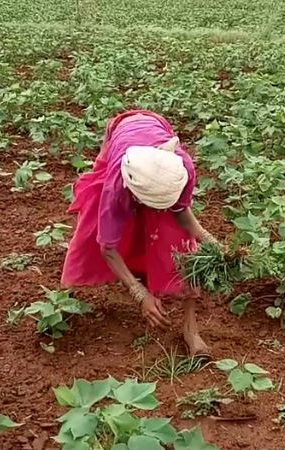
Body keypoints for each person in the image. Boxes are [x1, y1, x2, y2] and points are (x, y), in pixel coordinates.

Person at [61, 110, 218, 357]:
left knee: (181, 243)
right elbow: (107, 248)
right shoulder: (117, 186)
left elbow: (183, 217)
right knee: (94, 225)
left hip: (155, 130)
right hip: (120, 134)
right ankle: (61, 299)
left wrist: (215, 245)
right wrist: (140, 294)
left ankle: (191, 330)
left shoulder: (181, 168)